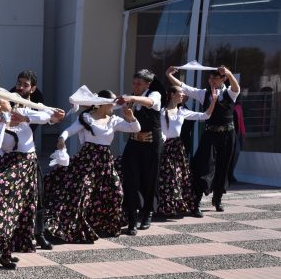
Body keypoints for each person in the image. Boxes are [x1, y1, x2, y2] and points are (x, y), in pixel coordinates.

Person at [44, 90, 140, 243]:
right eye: (112, 102)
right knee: (82, 193)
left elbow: (135, 129)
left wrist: (130, 117)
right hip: (87, 161)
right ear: (102, 103)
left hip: (105, 161)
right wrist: (61, 139)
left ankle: (104, 225)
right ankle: (69, 227)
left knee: (116, 192)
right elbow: (68, 131)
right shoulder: (86, 118)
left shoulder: (113, 120)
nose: (114, 105)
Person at [0, 97, 62, 268]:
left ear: (10, 103)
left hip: (27, 169)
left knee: (22, 211)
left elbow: (47, 115)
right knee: (3, 211)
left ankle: (9, 248)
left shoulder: (22, 112)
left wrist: (26, 118)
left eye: (1, 101)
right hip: (10, 169)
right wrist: (2, 122)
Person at [166, 65, 240, 215]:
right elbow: (185, 88)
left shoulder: (230, 93)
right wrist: (168, 75)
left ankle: (217, 198)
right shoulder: (203, 93)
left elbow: (236, 87)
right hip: (210, 134)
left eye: (215, 78)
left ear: (223, 79)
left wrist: (230, 73)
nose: (211, 81)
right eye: (210, 78)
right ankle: (196, 201)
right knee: (203, 165)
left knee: (223, 166)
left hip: (227, 135)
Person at [9, 70, 57, 250]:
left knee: (38, 195)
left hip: (29, 159)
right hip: (9, 158)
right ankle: (11, 235)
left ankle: (40, 233)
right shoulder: (8, 100)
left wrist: (26, 118)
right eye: (19, 83)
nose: (21, 87)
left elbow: (48, 116)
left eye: (25, 84)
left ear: (33, 87)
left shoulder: (36, 106)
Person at [157, 86, 216, 217]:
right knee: (168, 178)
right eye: (180, 92)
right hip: (165, 148)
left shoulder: (182, 111)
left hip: (178, 148)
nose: (183, 95)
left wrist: (213, 101)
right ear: (172, 95)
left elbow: (205, 115)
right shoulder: (160, 112)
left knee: (181, 177)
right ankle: (164, 207)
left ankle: (183, 206)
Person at [118, 69, 163, 235]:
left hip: (151, 144)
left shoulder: (154, 94)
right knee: (130, 180)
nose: (135, 86)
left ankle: (147, 213)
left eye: (139, 84)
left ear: (147, 84)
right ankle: (131, 219)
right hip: (134, 143)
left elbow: (150, 102)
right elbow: (113, 106)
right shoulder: (130, 98)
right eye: (134, 83)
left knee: (149, 179)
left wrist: (132, 98)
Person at [230, 95, 246, 183]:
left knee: (236, 153)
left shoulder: (238, 107)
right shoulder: (227, 105)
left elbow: (241, 121)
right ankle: (227, 175)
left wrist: (243, 133)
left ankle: (231, 173)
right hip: (228, 134)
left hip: (237, 134)